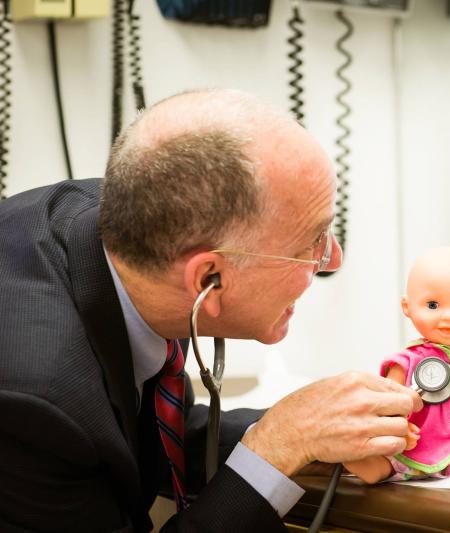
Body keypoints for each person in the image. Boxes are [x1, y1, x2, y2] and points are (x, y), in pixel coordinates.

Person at [0, 89, 421, 532]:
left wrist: (309, 431)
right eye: (310, 245)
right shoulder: (34, 405)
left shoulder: (145, 236)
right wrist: (276, 447)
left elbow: (147, 434)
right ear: (208, 281)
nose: (332, 260)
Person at [344, 247, 450, 483]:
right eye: (432, 305)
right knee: (390, 461)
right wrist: (396, 429)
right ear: (407, 307)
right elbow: (386, 406)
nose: (448, 316)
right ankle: (367, 464)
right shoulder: (405, 361)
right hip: (417, 446)